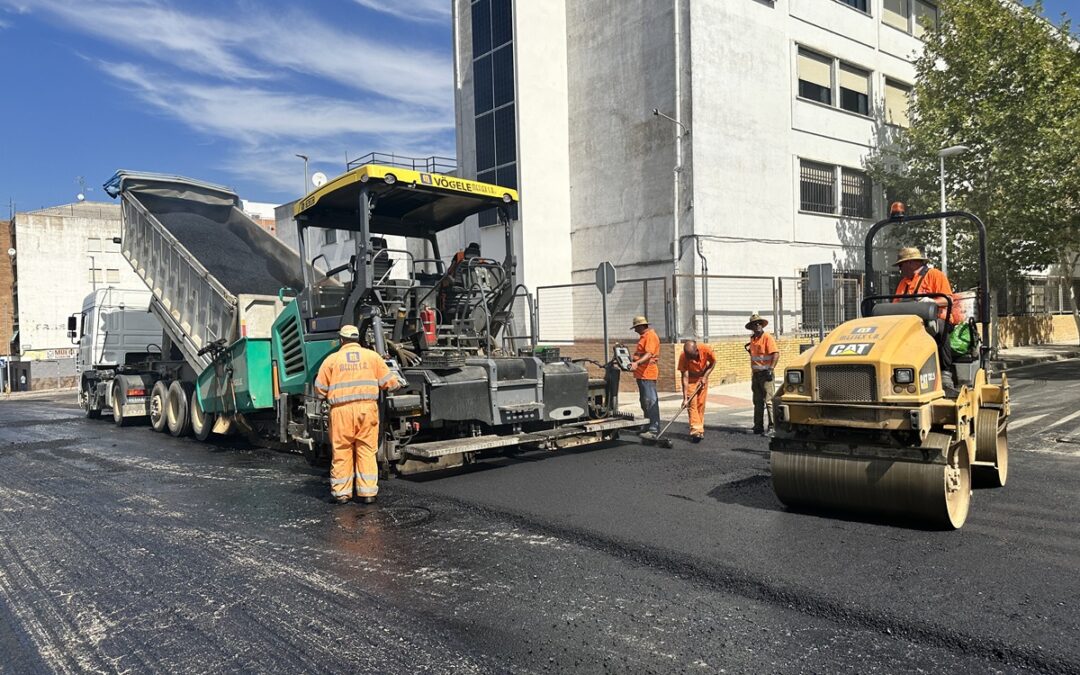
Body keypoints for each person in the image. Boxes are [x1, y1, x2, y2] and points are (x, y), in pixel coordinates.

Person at [314, 325, 400, 505]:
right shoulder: (372, 357)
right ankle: (367, 493)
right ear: (358, 339)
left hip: (341, 413)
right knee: (366, 450)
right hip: (366, 410)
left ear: (341, 340)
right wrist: (397, 383)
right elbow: (389, 383)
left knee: (342, 451)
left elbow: (320, 389)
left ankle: (342, 494)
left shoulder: (331, 360)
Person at [893, 247, 960, 390]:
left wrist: (929, 301)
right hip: (912, 323)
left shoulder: (935, 275)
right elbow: (896, 304)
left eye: (901, 265)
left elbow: (948, 299)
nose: (900, 269)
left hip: (939, 319)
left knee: (939, 327)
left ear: (911, 263)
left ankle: (945, 373)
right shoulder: (903, 283)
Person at [745, 313, 778, 435]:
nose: (757, 325)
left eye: (759, 323)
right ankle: (758, 426)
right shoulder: (753, 339)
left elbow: (775, 354)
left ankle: (772, 427)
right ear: (752, 326)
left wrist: (771, 369)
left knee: (769, 401)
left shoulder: (767, 338)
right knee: (757, 401)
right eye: (755, 324)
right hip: (756, 374)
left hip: (766, 374)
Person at [677, 339, 716, 442]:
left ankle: (700, 430)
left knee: (700, 405)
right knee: (691, 405)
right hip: (690, 381)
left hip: (702, 378)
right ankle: (695, 431)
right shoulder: (683, 356)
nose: (689, 358)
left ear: (696, 350)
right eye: (687, 356)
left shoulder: (705, 349)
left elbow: (713, 362)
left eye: (691, 356)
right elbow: (684, 377)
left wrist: (705, 376)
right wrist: (685, 398)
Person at [629, 315, 661, 437]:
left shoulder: (650, 336)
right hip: (641, 374)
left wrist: (637, 363)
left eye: (636, 327)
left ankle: (653, 429)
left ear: (642, 326)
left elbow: (649, 354)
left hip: (648, 374)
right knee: (644, 401)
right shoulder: (644, 337)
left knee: (650, 401)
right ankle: (647, 425)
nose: (635, 330)